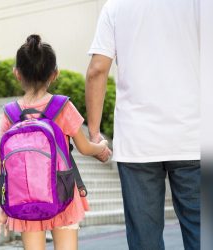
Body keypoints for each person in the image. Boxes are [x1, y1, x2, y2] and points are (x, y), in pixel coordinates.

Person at [85, 0, 200, 249]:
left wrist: (94, 134)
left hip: (138, 144)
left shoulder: (115, 7)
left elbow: (97, 69)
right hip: (193, 137)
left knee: (144, 241)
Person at [0, 34, 108, 250]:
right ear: (55, 74)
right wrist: (100, 148)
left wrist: (1, 206)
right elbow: (84, 148)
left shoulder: (10, 114)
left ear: (17, 74)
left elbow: (1, 164)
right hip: (62, 193)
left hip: (25, 199)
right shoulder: (62, 106)